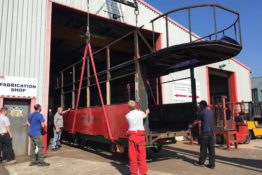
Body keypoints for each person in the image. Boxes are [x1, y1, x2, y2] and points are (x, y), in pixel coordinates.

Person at [125, 100, 150, 175]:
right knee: (142, 157)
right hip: (140, 136)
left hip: (132, 136)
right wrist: (147, 112)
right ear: (135, 105)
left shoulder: (127, 116)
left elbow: (131, 125)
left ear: (128, 107)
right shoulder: (141, 113)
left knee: (133, 157)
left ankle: (134, 173)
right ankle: (143, 173)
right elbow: (145, 116)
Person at [190, 100, 215, 169]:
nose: (199, 107)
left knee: (203, 149)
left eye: (200, 105)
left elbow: (196, 121)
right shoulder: (211, 112)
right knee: (211, 149)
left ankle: (201, 163)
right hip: (212, 133)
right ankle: (212, 164)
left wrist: (191, 126)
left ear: (202, 105)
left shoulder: (202, 112)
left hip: (205, 133)